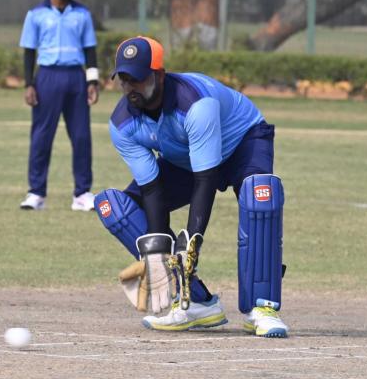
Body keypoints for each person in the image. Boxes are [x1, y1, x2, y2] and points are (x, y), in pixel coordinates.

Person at [94, 36, 289, 338]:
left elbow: (206, 179)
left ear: (158, 74)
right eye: (124, 79)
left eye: (138, 78)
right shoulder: (122, 125)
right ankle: (194, 302)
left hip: (242, 142)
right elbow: (152, 191)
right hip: (186, 158)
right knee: (117, 208)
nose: (130, 87)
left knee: (258, 197)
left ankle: (261, 309)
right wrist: (160, 257)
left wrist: (192, 241)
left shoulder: (195, 104)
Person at [18, 0, 100, 212]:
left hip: (75, 78)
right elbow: (29, 51)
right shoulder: (36, 14)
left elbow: (90, 50)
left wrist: (92, 81)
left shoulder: (82, 14)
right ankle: (36, 193)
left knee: (81, 136)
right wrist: (29, 84)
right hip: (48, 78)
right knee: (42, 136)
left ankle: (82, 194)